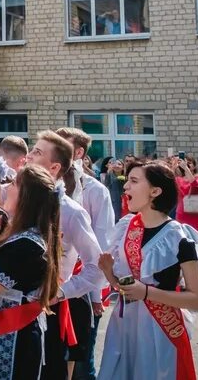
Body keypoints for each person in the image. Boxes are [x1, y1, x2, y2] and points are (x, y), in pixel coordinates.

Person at [96, 161, 198, 380]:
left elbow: (196, 299)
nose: (126, 186)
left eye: (134, 181)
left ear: (155, 191)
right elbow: (126, 286)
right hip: (124, 326)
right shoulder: (126, 226)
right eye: (127, 180)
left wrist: (146, 293)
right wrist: (109, 273)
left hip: (159, 330)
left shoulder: (178, 237)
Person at [0, 165, 63, 380]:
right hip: (0, 330)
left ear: (27, 197)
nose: (7, 187)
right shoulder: (21, 235)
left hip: (16, 336)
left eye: (15, 183)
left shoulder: (28, 245)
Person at [26, 132, 103, 380]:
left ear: (54, 167)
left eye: (37, 152)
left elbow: (96, 266)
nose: (28, 156)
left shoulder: (71, 212)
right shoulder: (13, 197)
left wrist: (60, 292)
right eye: (31, 150)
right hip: (8, 308)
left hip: (47, 311)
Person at [56, 126, 116, 380]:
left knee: (81, 359)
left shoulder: (94, 190)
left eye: (63, 146)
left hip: (80, 284)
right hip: (52, 283)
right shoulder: (45, 185)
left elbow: (102, 244)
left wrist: (95, 296)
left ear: (78, 152)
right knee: (57, 357)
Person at [173, 156, 198, 236]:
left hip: (197, 215)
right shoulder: (178, 179)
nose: (186, 165)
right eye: (184, 163)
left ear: (194, 166)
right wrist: (173, 167)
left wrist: (186, 169)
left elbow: (195, 187)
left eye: (189, 163)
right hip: (182, 215)